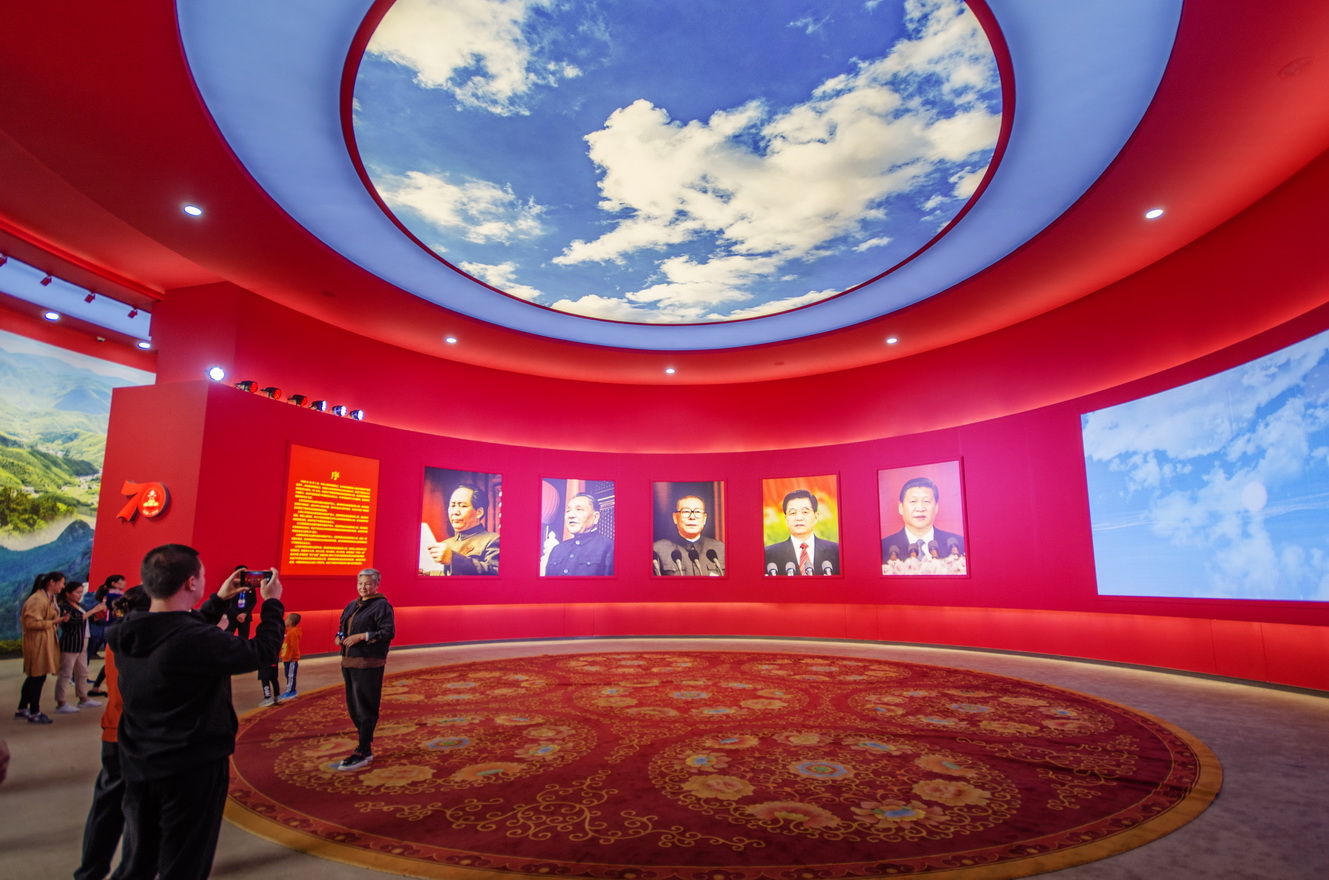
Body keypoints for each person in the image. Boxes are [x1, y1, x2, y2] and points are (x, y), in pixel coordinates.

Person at [108, 545, 283, 880]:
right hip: (191, 765)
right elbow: (262, 652)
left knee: (137, 860)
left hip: (139, 759)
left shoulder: (131, 629)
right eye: (201, 575)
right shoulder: (195, 639)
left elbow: (177, 629)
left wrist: (218, 600)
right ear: (191, 583)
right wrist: (272, 604)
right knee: (184, 862)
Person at [74, 585, 149, 880]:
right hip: (137, 734)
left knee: (106, 804)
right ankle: (134, 871)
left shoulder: (117, 634)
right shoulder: (145, 638)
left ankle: (90, 871)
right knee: (139, 808)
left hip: (114, 729)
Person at [334, 568, 395, 771]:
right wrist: (339, 637)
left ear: (377, 585)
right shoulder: (352, 605)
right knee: (353, 707)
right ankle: (364, 746)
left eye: (368, 583)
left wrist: (363, 636)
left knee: (365, 707)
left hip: (369, 663)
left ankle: (362, 749)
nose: (363, 587)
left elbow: (388, 632)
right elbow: (342, 626)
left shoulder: (382, 606)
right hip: (348, 661)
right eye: (360, 583)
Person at [16, 571, 69, 724]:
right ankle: (35, 712)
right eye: (61, 583)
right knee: (37, 677)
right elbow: (30, 623)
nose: (63, 586)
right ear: (52, 582)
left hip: (43, 641)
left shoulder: (48, 598)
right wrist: (54, 622)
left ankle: (22, 708)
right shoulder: (37, 600)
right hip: (37, 643)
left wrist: (57, 620)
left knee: (35, 676)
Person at [880, 476, 966, 570]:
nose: (920, 508)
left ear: (936, 507)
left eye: (926, 501)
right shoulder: (883, 547)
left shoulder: (960, 544)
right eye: (913, 501)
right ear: (901, 507)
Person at [55, 580, 106, 714]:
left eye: (81, 592)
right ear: (67, 593)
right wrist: (93, 610)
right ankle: (61, 702)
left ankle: (83, 698)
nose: (79, 595)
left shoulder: (80, 605)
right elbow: (73, 620)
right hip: (70, 642)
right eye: (77, 592)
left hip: (84, 640)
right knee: (65, 673)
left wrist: (99, 613)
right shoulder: (63, 606)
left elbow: (88, 619)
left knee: (82, 671)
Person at [426, 484, 500, 574]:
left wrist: (453, 559)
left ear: (479, 512)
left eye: (463, 506)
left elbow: (495, 573)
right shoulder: (444, 544)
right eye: (452, 505)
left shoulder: (493, 540)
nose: (455, 512)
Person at [763, 489, 840, 575]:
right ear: (786, 519)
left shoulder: (837, 551)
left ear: (816, 517)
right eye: (793, 513)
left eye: (805, 512)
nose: (799, 518)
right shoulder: (768, 555)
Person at [653, 494, 725, 575]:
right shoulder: (658, 550)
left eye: (698, 512)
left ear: (704, 518)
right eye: (686, 511)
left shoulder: (720, 549)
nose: (692, 517)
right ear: (675, 518)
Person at [545, 493, 614, 575]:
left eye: (579, 509)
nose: (570, 515)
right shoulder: (557, 549)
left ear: (595, 517)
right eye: (568, 511)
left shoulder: (609, 547)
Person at [223, 566, 256, 638]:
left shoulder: (250, 586)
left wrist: (245, 613)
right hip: (231, 616)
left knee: (244, 639)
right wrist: (237, 615)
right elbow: (226, 600)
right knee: (227, 638)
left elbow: (253, 601)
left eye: (246, 572)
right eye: (241, 572)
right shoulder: (230, 585)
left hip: (245, 617)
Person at [279, 612, 303, 699]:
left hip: (291, 659)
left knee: (290, 676)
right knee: (288, 675)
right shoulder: (288, 631)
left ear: (291, 622)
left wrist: (291, 656)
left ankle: (290, 691)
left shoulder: (293, 633)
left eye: (287, 619)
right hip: (286, 658)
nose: (285, 621)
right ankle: (290, 690)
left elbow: (294, 646)